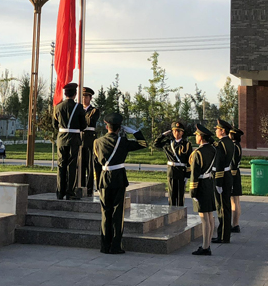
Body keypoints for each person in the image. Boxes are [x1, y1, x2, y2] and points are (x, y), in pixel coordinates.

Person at [93, 112, 147, 254]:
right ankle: (115, 246)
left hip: (104, 179)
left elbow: (96, 164)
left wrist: (97, 182)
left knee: (105, 213)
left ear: (107, 126)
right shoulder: (122, 142)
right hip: (118, 179)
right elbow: (143, 144)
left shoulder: (97, 142)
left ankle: (105, 246)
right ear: (120, 128)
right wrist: (134, 131)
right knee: (117, 214)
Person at [53, 82, 87, 200]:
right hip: (74, 139)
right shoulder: (79, 107)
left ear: (65, 94)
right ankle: (70, 192)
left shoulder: (58, 107)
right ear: (75, 94)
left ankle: (60, 192)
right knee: (72, 165)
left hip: (61, 139)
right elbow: (83, 125)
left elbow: (55, 124)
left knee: (61, 165)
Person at [189, 123, 217, 256]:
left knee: (204, 218)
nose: (196, 137)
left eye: (197, 135)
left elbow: (194, 174)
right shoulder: (212, 149)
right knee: (210, 216)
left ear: (201, 137)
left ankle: (205, 247)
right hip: (209, 183)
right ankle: (208, 244)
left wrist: (193, 192)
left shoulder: (198, 153)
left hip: (200, 185)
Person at [154, 121, 192, 206]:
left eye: (178, 131)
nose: (176, 133)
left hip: (181, 171)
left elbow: (189, 161)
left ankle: (180, 210)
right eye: (174, 131)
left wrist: (187, 175)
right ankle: (172, 210)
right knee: (171, 194)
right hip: (171, 171)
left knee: (180, 194)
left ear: (182, 132)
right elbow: (156, 144)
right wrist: (163, 135)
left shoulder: (186, 144)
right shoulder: (168, 143)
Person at [212, 119, 234, 244]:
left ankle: (223, 236)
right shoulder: (229, 142)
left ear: (223, 131)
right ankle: (225, 235)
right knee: (225, 206)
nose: (216, 131)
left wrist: (218, 182)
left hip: (222, 177)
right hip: (227, 175)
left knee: (221, 208)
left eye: (217, 129)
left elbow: (220, 163)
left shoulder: (221, 144)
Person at [80, 86, 100, 196]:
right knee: (81, 165)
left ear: (90, 98)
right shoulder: (78, 109)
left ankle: (89, 189)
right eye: (82, 96)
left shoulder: (94, 110)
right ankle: (81, 186)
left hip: (90, 139)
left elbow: (89, 122)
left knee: (90, 165)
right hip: (80, 139)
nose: (84, 99)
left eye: (86, 96)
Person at [229, 128, 243, 233]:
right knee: (236, 201)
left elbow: (233, 163)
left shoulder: (234, 147)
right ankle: (235, 223)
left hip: (233, 174)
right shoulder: (237, 145)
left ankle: (235, 224)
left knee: (234, 201)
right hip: (236, 174)